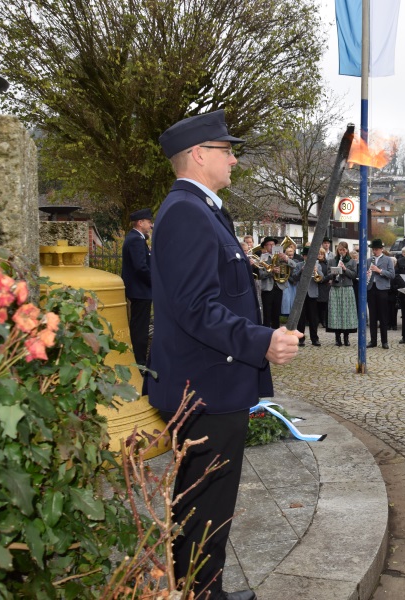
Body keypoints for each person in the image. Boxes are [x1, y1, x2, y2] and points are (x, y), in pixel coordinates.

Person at [150, 109, 301, 600]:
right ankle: (200, 593)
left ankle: (201, 587)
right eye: (226, 150)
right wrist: (260, 342)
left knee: (205, 503)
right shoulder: (187, 213)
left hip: (212, 385)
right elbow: (197, 309)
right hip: (205, 391)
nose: (234, 159)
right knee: (203, 504)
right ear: (198, 155)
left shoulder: (204, 209)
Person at [121, 207, 153, 375]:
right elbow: (141, 267)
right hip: (141, 291)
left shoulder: (136, 238)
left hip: (140, 290)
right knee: (140, 328)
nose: (150, 225)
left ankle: (139, 360)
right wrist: (154, 281)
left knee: (139, 326)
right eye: (148, 222)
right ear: (140, 223)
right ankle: (139, 363)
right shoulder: (135, 240)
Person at [327, 241, 358, 346]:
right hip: (335, 288)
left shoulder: (352, 262)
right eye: (340, 250)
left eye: (343, 250)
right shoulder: (332, 261)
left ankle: (346, 338)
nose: (342, 252)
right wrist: (334, 272)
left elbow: (354, 275)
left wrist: (344, 269)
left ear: (347, 250)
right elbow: (328, 275)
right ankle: (337, 338)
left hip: (347, 288)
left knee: (346, 313)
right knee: (336, 313)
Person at [367, 238, 395, 348]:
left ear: (381, 249)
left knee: (383, 316)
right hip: (371, 288)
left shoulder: (388, 260)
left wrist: (379, 271)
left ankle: (384, 341)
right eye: (373, 249)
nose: (375, 251)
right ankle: (373, 340)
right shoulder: (369, 260)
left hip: (382, 289)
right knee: (372, 316)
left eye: (376, 249)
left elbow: (392, 275)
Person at [292, 255, 323, 347]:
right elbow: (294, 277)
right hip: (301, 294)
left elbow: (321, 278)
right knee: (301, 318)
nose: (308, 257)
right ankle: (300, 339)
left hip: (312, 293)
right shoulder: (298, 265)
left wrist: (316, 270)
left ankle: (315, 339)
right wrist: (301, 270)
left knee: (313, 318)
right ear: (304, 256)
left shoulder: (317, 265)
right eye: (306, 256)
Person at [259, 236, 287, 328]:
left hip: (278, 287)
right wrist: (271, 271)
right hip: (267, 289)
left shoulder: (281, 256)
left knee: (276, 314)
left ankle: (276, 334)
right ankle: (266, 335)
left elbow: (292, 267)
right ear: (265, 247)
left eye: (273, 244)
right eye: (268, 244)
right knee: (267, 314)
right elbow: (261, 275)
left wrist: (285, 260)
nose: (271, 246)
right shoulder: (263, 258)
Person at [279, 241, 302, 318]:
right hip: (287, 282)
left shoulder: (295, 261)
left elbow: (295, 267)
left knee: (293, 298)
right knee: (286, 298)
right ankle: (285, 314)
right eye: (289, 255)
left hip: (294, 282)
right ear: (285, 254)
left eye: (292, 255)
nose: (290, 256)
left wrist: (288, 260)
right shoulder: (282, 262)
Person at [316, 247, 330, 329]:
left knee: (324, 305)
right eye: (318, 254)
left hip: (325, 286)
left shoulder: (327, 263)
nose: (320, 255)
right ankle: (318, 320)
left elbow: (329, 274)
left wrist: (325, 279)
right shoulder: (315, 263)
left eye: (321, 254)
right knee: (317, 305)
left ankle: (324, 321)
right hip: (317, 285)